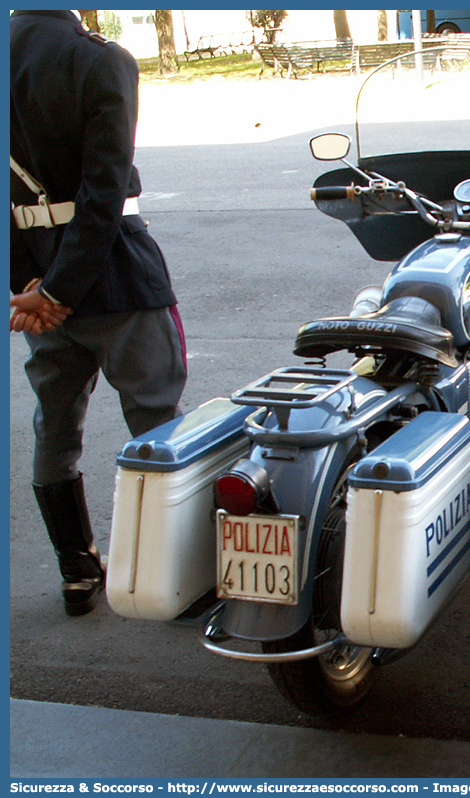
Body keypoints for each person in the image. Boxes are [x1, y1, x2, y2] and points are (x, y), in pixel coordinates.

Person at [10, 10, 187, 616]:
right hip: (114, 279)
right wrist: (61, 290)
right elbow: (104, 188)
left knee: (54, 424)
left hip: (36, 280)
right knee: (158, 420)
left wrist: (31, 286)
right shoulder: (99, 59)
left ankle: (78, 573)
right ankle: (177, 573)